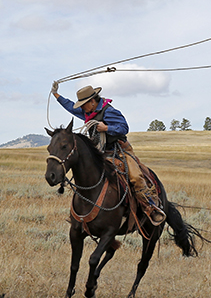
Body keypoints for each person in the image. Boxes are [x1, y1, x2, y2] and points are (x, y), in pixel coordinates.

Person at [51, 83, 166, 225]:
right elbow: (70, 107)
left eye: (83, 104)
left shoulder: (109, 112)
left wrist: (106, 127)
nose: (80, 108)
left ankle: (150, 207)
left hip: (120, 150)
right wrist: (56, 94)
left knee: (135, 177)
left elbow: (124, 128)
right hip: (101, 151)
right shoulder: (88, 112)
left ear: (92, 102)